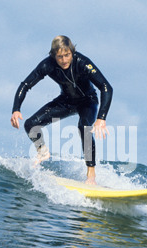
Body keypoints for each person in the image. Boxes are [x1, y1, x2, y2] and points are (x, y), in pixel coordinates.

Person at [10, 35, 113, 185]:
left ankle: (91, 175)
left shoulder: (82, 62)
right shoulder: (47, 65)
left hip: (87, 101)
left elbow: (106, 87)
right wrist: (16, 109)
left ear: (72, 51)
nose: (64, 60)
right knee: (30, 124)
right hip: (66, 101)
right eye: (60, 57)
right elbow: (25, 85)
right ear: (53, 56)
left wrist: (101, 117)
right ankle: (43, 151)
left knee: (84, 127)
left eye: (67, 55)